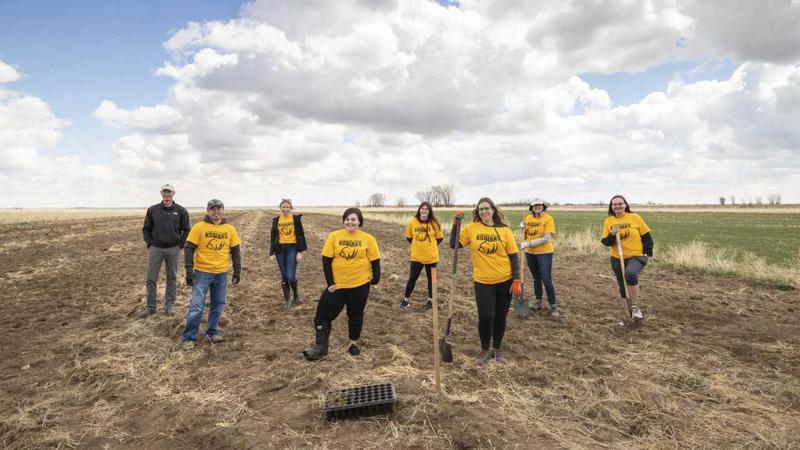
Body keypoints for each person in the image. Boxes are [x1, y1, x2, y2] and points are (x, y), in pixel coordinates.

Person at [449, 197, 521, 365]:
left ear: (493, 210)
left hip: (505, 280)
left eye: (487, 208)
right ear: (478, 212)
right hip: (482, 281)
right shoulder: (472, 228)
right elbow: (454, 245)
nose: (484, 212)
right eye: (481, 209)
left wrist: (516, 279)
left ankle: (497, 348)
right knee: (486, 315)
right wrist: (455, 225)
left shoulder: (505, 231)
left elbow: (514, 256)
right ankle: (484, 349)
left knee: (500, 315)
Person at [303, 208, 381, 361]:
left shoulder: (368, 239)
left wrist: (376, 278)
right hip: (338, 286)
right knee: (322, 315)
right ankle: (320, 348)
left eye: (353, 219)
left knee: (355, 314)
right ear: (343, 221)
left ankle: (353, 343)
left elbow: (375, 260)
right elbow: (326, 259)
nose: (350, 222)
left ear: (359, 222)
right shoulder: (334, 236)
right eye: (347, 219)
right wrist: (330, 283)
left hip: (359, 285)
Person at [181, 199, 242, 350]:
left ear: (223, 210)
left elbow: (235, 251)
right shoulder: (199, 227)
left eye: (219, 208)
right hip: (202, 273)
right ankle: (189, 338)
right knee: (196, 305)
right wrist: (189, 271)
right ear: (208, 211)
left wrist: (237, 271)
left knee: (218, 304)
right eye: (213, 209)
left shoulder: (229, 229)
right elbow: (189, 249)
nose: (216, 212)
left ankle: (212, 332)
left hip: (221, 273)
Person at [600, 195, 653, 322]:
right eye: (614, 204)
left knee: (630, 273)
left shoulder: (635, 218)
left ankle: (635, 307)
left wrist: (647, 253)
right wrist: (613, 234)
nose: (617, 206)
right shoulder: (609, 221)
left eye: (620, 203)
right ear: (611, 207)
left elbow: (647, 237)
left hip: (637, 256)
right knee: (622, 285)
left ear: (625, 205)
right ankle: (627, 314)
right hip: (617, 258)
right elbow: (606, 242)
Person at [140, 183, 190, 318]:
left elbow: (187, 230)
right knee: (151, 278)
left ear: (173, 193)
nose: (167, 195)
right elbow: (146, 229)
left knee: (171, 278)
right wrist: (150, 244)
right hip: (155, 249)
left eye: (169, 192)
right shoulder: (152, 210)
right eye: (165, 192)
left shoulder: (181, 211)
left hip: (173, 249)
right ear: (161, 193)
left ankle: (169, 306)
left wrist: (180, 245)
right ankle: (150, 307)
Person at [400, 201, 444, 311]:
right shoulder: (412, 222)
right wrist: (418, 246)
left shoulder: (434, 223)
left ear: (429, 211)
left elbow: (439, 238)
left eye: (426, 209)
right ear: (419, 210)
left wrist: (430, 246)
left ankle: (430, 300)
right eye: (422, 209)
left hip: (431, 257)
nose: (424, 211)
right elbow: (409, 237)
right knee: (412, 278)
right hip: (416, 257)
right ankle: (405, 300)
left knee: (431, 280)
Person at [519, 198, 559, 318]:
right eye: (535, 205)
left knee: (546, 279)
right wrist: (522, 228)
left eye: (539, 205)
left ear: (543, 206)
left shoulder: (548, 218)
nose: (537, 207)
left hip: (544, 252)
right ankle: (538, 302)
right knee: (536, 278)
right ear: (531, 208)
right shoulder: (528, 218)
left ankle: (553, 306)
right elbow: (526, 235)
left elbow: (546, 239)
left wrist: (528, 244)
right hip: (530, 253)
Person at [269, 199, 308, 308]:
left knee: (290, 276)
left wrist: (300, 251)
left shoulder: (295, 219)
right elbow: (273, 237)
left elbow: (301, 235)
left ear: (291, 208)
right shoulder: (276, 220)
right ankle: (287, 300)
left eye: (287, 207)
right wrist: (271, 253)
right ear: (280, 208)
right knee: (284, 276)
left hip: (292, 248)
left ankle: (296, 295)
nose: (285, 209)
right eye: (283, 207)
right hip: (279, 250)